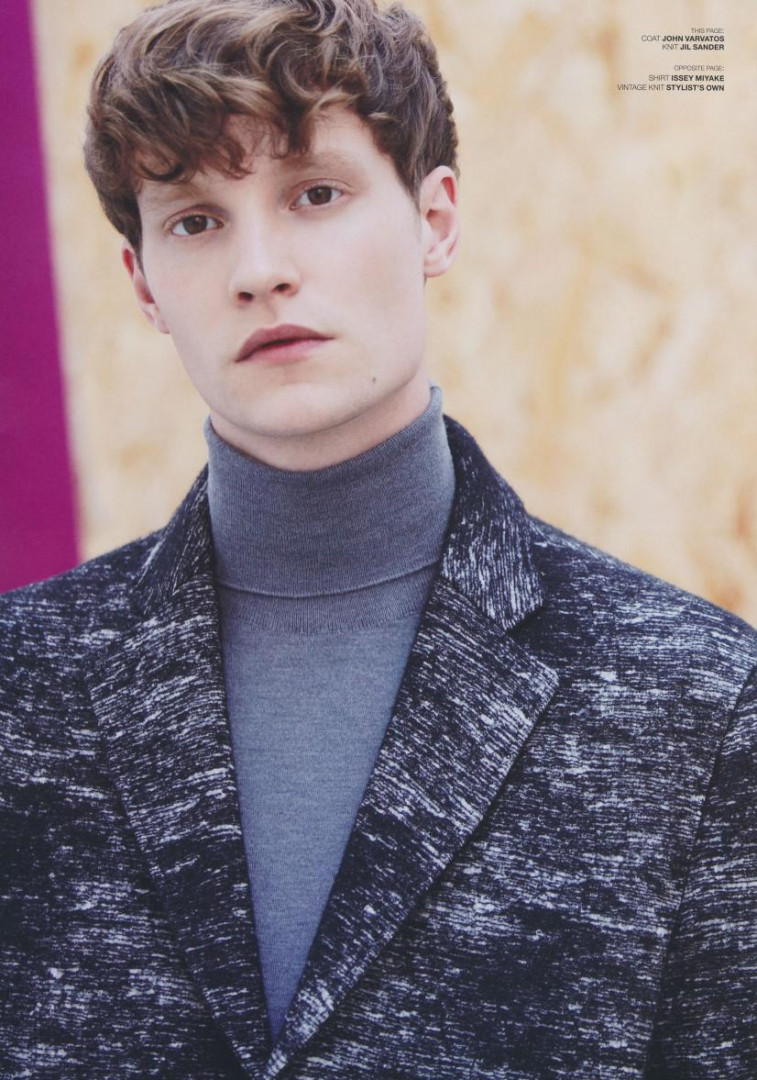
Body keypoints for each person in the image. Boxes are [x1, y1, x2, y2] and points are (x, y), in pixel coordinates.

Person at [1, 0, 756, 1076]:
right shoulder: (20, 686)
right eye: (196, 220)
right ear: (144, 287)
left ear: (434, 220)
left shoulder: (698, 699)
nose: (259, 268)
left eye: (315, 194)